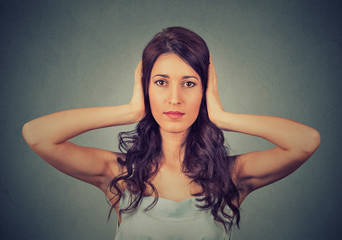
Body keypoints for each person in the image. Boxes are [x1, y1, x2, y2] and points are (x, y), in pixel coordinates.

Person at [22, 26, 321, 240]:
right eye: (161, 82)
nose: (174, 98)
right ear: (146, 88)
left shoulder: (230, 176)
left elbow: (306, 142)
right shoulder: (119, 173)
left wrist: (221, 116)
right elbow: (36, 134)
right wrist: (129, 111)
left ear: (205, 90)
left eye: (189, 83)